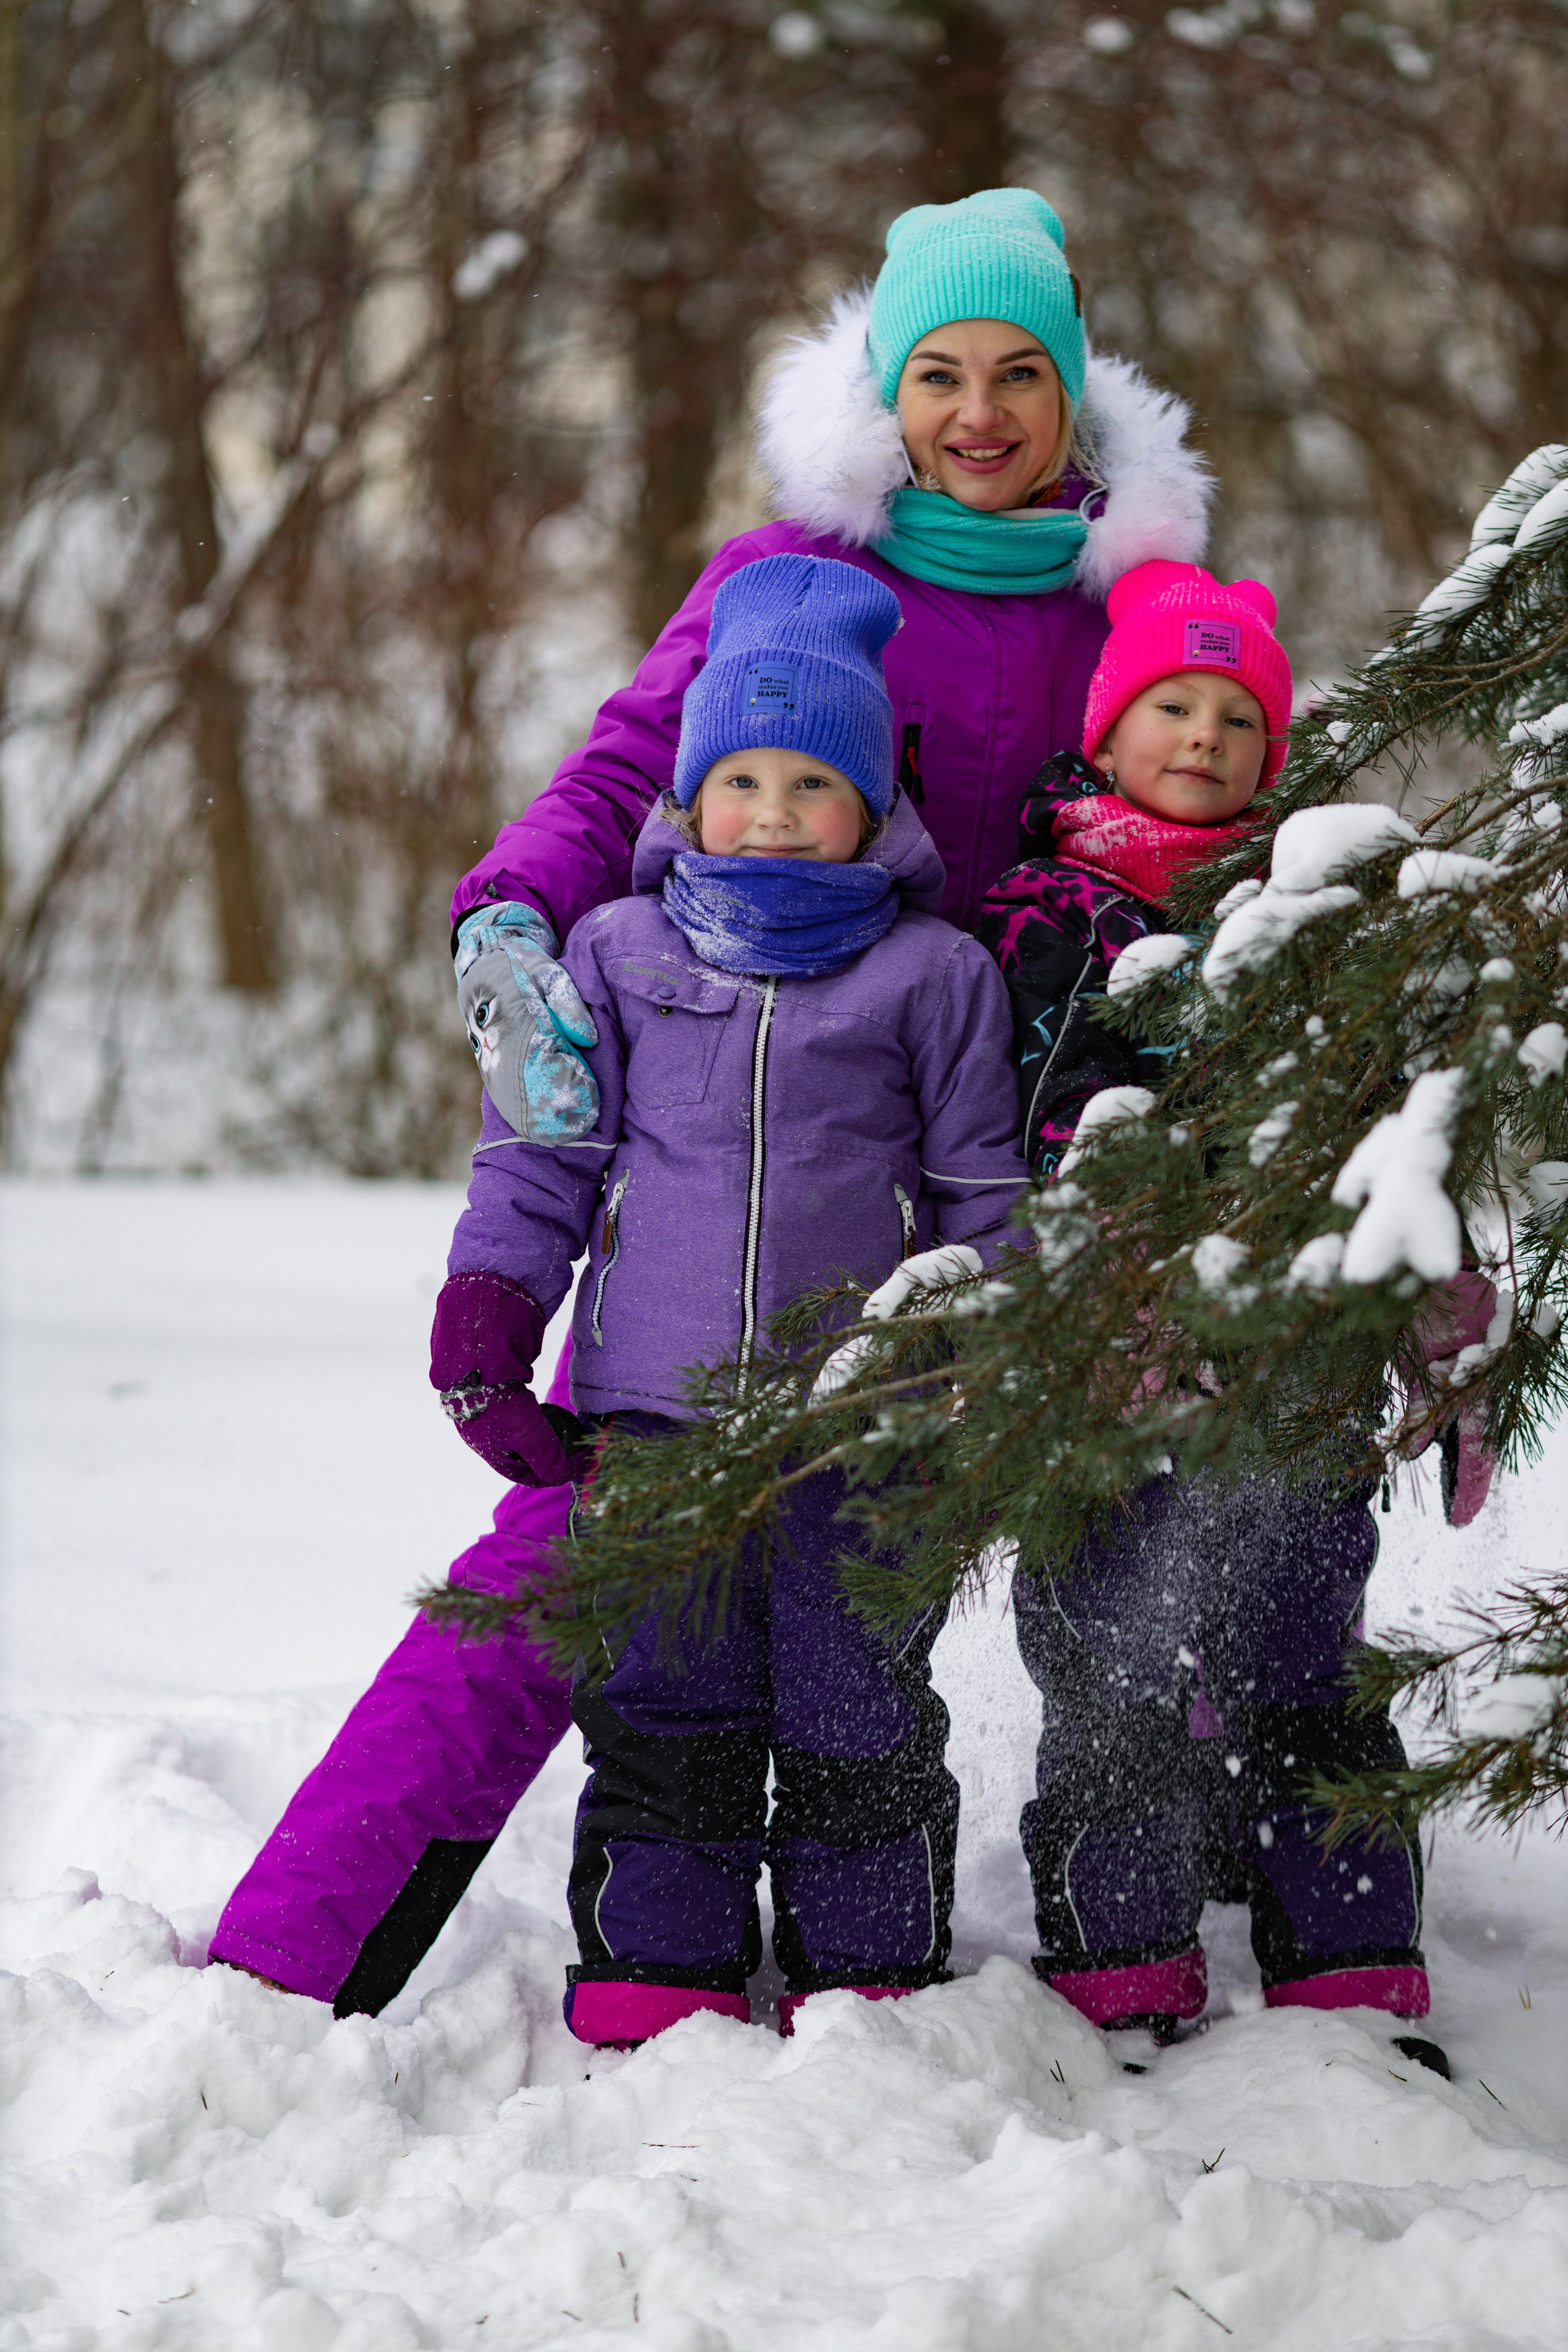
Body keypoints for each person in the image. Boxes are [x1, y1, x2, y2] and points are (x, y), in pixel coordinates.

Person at [209, 184, 1208, 2015]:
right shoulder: (787, 583)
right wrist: (517, 905)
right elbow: (625, 768)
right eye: (937, 377)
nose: (977, 415)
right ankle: (294, 1957)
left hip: (1014, 1151)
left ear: (1079, 405)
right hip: (745, 1131)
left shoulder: (1121, 609)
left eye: (1017, 378)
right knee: (579, 1561)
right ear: (880, 397)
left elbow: (1212, 797)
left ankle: (1168, 1932)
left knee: (1120, 1537)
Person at [458, 553, 1030, 2045]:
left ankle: (868, 1973)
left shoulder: (933, 973)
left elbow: (982, 1194)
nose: (771, 814)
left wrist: (988, 1350)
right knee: (664, 1704)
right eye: (741, 780)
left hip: (867, 1423)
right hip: (651, 1410)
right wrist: (489, 1307)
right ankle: (658, 1966)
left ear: (871, 806)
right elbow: (546, 1149)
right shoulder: (615, 951)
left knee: (858, 1711)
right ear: (687, 795)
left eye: (809, 785)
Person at [976, 560, 1494, 2066]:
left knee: (1303, 1672)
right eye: (1168, 706)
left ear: (1274, 757)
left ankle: (1345, 1963)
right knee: (1106, 1676)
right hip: (1097, 1386)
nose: (1200, 736)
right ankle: (1120, 1959)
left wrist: (1431, 1322)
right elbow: (984, 1125)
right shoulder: (1036, 915)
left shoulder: (1316, 922)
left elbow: (1396, 1145)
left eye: (1234, 718)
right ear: (1107, 727)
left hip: (1293, 1382)